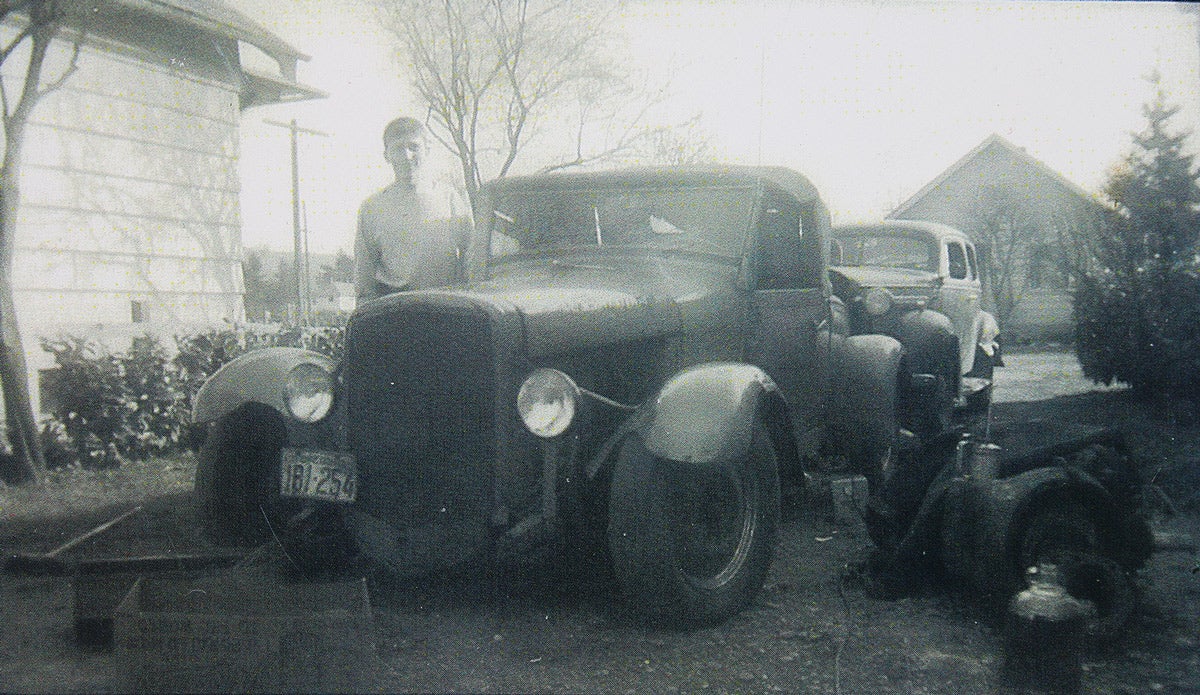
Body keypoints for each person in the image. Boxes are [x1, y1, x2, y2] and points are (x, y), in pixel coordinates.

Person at [354, 116, 473, 303]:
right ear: (387, 155)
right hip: (395, 314)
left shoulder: (450, 199)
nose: (407, 156)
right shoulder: (372, 208)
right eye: (398, 148)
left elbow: (471, 259)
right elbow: (365, 283)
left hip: (448, 310)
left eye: (413, 147)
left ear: (427, 150)